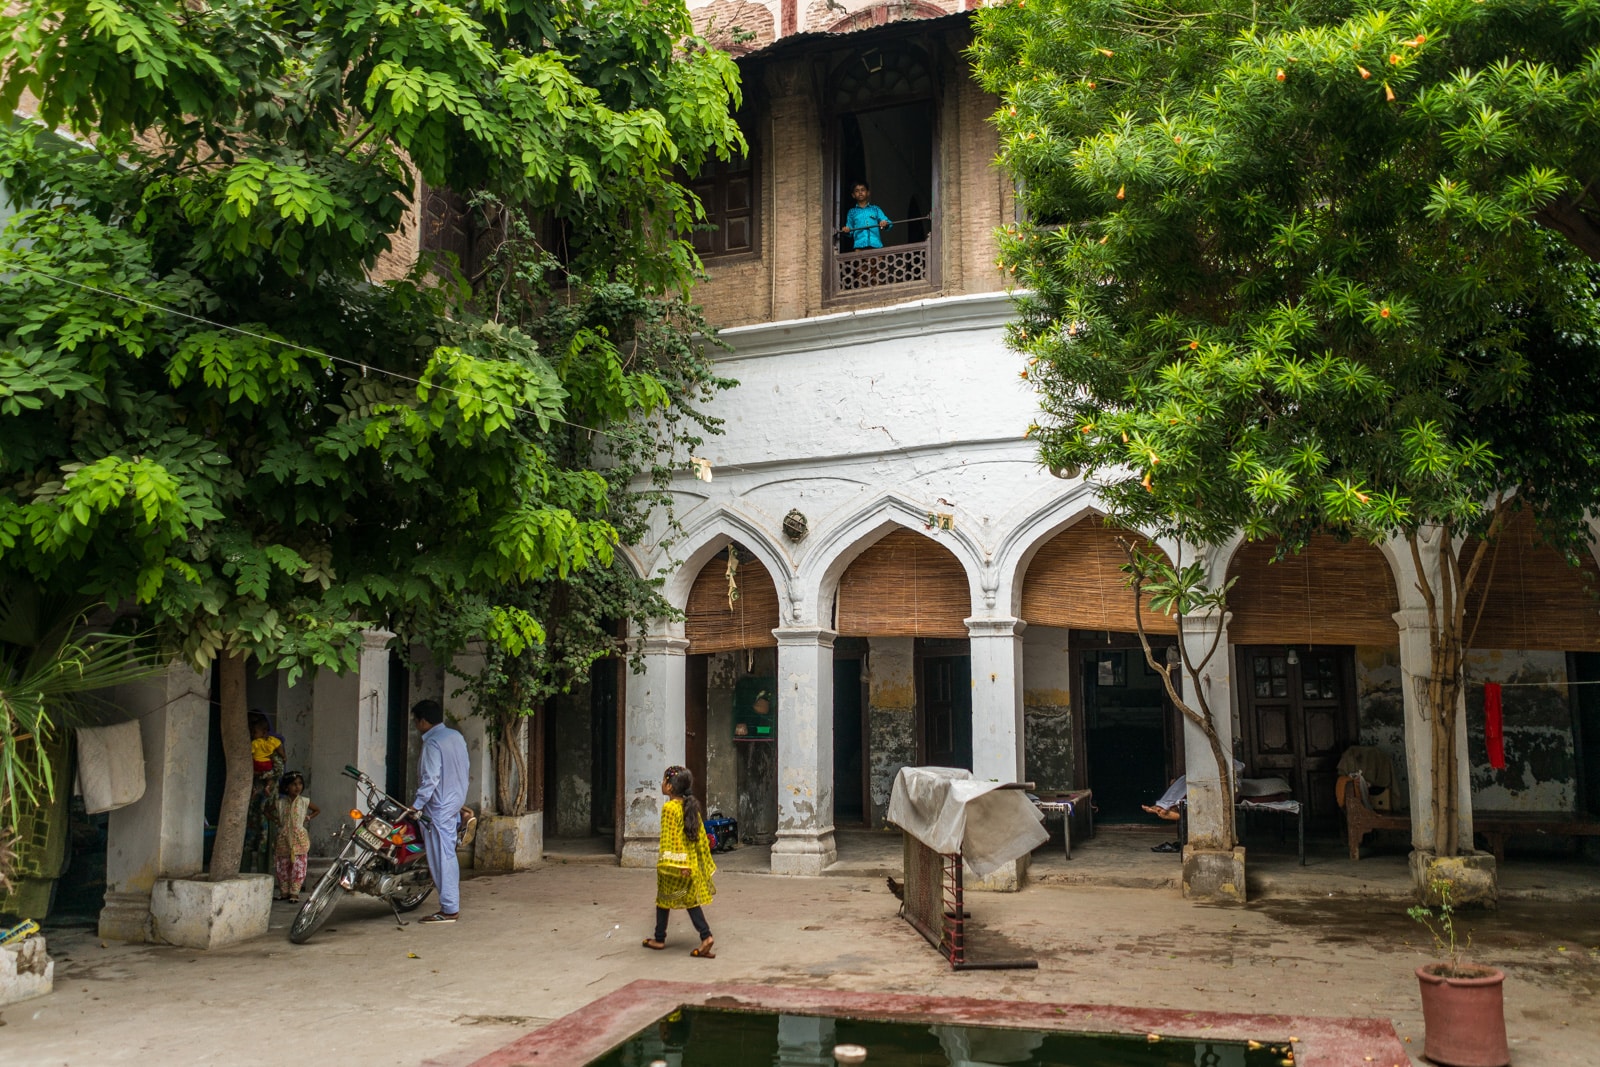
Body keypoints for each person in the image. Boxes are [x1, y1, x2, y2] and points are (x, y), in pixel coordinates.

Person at [642, 765, 716, 958]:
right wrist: (695, 863)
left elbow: (672, 838)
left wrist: (679, 864)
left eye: (664, 780)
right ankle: (705, 936)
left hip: (675, 866)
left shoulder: (669, 808)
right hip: (690, 863)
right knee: (689, 901)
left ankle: (660, 939)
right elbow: (700, 836)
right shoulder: (690, 806)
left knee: (663, 899)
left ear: (669, 786)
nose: (662, 783)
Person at [411, 699, 469, 925]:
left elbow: (431, 779)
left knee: (441, 857)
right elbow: (462, 770)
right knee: (447, 854)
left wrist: (416, 805)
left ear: (423, 721)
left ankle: (449, 909)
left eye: (416, 722)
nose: (416, 726)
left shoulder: (433, 743)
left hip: (438, 808)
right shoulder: (455, 737)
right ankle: (449, 905)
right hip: (453, 803)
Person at [274, 771, 319, 901]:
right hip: (283, 838)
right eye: (294, 784)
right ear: (287, 786)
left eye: (300, 784)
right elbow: (267, 810)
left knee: (298, 866)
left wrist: (308, 817)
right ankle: (284, 892)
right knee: (283, 866)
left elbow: (317, 810)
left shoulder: (304, 802)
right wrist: (277, 820)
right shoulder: (281, 803)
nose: (297, 787)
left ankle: (294, 893)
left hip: (299, 839)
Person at [840, 181, 891, 250]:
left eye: (863, 190)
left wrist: (884, 223)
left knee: (879, 260)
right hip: (859, 247)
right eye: (857, 191)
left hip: (876, 245)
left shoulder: (875, 209)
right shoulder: (852, 212)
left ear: (868, 193)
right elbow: (849, 230)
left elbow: (888, 223)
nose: (860, 192)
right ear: (853, 195)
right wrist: (846, 230)